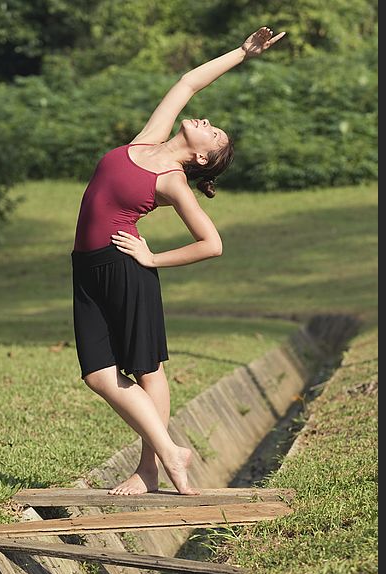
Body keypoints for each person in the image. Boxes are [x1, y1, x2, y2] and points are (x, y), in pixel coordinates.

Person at [70, 27, 286, 496]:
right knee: (97, 374)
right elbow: (189, 82)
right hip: (86, 266)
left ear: (204, 156)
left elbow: (212, 242)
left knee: (147, 371)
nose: (205, 121)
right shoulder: (149, 139)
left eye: (214, 131)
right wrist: (243, 53)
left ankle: (154, 465)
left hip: (125, 265)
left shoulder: (171, 181)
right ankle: (169, 450)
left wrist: (153, 257)